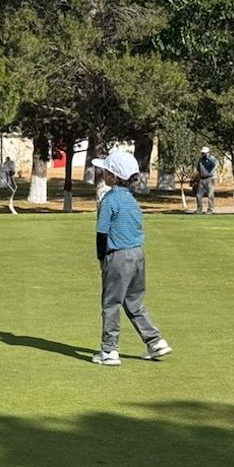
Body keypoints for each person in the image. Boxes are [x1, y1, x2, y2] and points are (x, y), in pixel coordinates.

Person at [89, 150, 172, 367]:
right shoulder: (132, 201)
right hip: (137, 254)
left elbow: (102, 233)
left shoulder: (109, 200)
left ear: (113, 177)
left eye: (106, 170)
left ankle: (109, 351)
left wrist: (101, 259)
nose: (103, 173)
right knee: (134, 302)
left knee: (111, 304)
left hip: (118, 256)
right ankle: (155, 341)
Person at [196, 146, 217, 214]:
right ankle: (199, 209)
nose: (203, 154)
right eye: (202, 153)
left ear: (208, 153)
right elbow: (198, 169)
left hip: (210, 178)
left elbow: (213, 165)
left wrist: (208, 158)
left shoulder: (212, 159)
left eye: (204, 153)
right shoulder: (200, 160)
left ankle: (210, 209)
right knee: (198, 195)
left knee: (210, 195)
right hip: (202, 179)